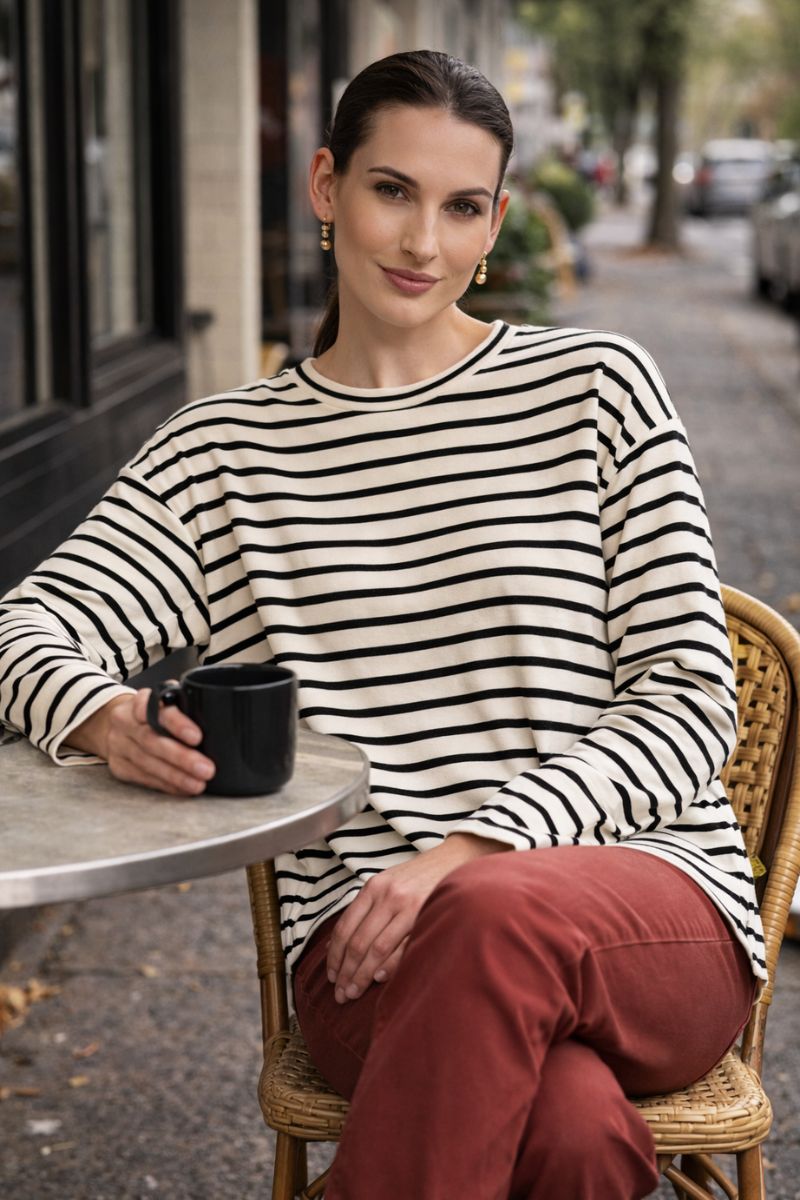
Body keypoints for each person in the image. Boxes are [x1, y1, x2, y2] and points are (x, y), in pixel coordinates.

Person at [0, 49, 765, 1200]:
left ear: (496, 220)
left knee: (493, 916)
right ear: (324, 187)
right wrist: (105, 716)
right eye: (390, 191)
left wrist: (465, 859)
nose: (421, 244)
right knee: (564, 1131)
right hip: (364, 953)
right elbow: (27, 624)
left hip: (641, 914)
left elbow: (690, 701)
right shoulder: (226, 454)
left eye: (461, 208)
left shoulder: (595, 389)